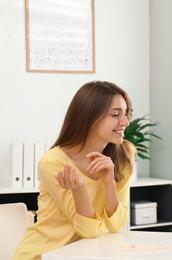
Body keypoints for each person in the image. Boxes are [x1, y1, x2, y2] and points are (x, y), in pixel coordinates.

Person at [13, 81, 136, 260]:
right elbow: (87, 230)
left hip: (89, 253)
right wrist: (79, 189)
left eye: (125, 114)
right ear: (89, 117)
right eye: (115, 114)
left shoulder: (124, 156)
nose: (125, 122)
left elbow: (116, 226)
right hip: (44, 254)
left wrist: (109, 182)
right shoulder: (53, 162)